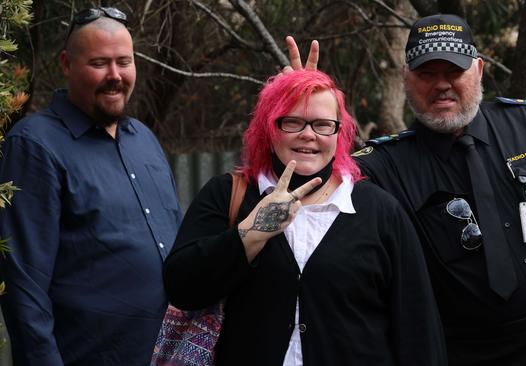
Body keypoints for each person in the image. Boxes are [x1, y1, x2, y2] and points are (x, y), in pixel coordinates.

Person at [288, 14, 526, 366]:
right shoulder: (384, 167)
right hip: (490, 352)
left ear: (479, 70)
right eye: (427, 73)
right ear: (405, 79)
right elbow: (308, 195)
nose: (441, 84)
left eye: (454, 71)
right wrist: (295, 111)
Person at [162, 69, 447, 365]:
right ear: (269, 130)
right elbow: (182, 288)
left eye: (323, 125)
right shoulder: (228, 195)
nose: (308, 134)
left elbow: (418, 329)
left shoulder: (380, 212)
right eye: (292, 122)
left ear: (339, 134)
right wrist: (252, 232)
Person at [0, 7, 182, 365]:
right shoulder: (35, 146)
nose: (115, 75)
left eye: (124, 62)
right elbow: (24, 289)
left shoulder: (143, 139)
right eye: (99, 63)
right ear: (67, 64)